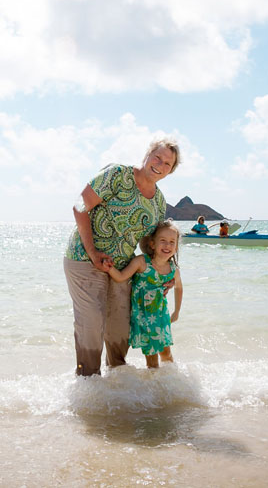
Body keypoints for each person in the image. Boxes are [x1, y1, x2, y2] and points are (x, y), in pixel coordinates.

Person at [63, 139, 180, 376]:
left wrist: (164, 275)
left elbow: (154, 245)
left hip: (121, 268)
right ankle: (88, 383)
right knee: (92, 325)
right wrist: (93, 253)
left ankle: (118, 385)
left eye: (167, 163)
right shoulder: (118, 175)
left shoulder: (158, 202)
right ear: (148, 154)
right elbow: (79, 206)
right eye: (157, 157)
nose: (160, 164)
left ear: (170, 171)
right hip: (84, 259)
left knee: (120, 328)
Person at [107, 220, 183, 368]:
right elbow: (121, 276)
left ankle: (172, 382)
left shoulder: (173, 269)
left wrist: (177, 311)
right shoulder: (142, 262)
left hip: (161, 317)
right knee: (152, 360)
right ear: (152, 244)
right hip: (143, 319)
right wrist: (109, 268)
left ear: (176, 247)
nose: (167, 245)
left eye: (172, 242)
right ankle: (154, 388)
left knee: (167, 353)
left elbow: (179, 288)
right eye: (163, 241)